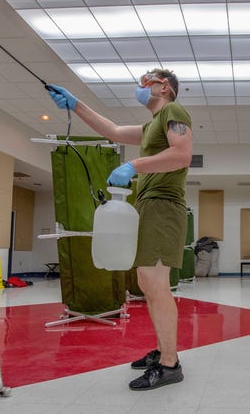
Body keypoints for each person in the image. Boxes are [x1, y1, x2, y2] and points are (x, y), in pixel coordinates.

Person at [48, 69, 192, 391]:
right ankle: (162, 349)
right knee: (146, 282)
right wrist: (76, 105)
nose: (140, 85)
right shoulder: (151, 126)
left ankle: (170, 363)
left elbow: (182, 155)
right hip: (148, 204)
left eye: (146, 80)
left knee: (156, 283)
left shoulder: (172, 110)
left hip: (163, 204)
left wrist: (134, 166)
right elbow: (112, 131)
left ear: (163, 86)